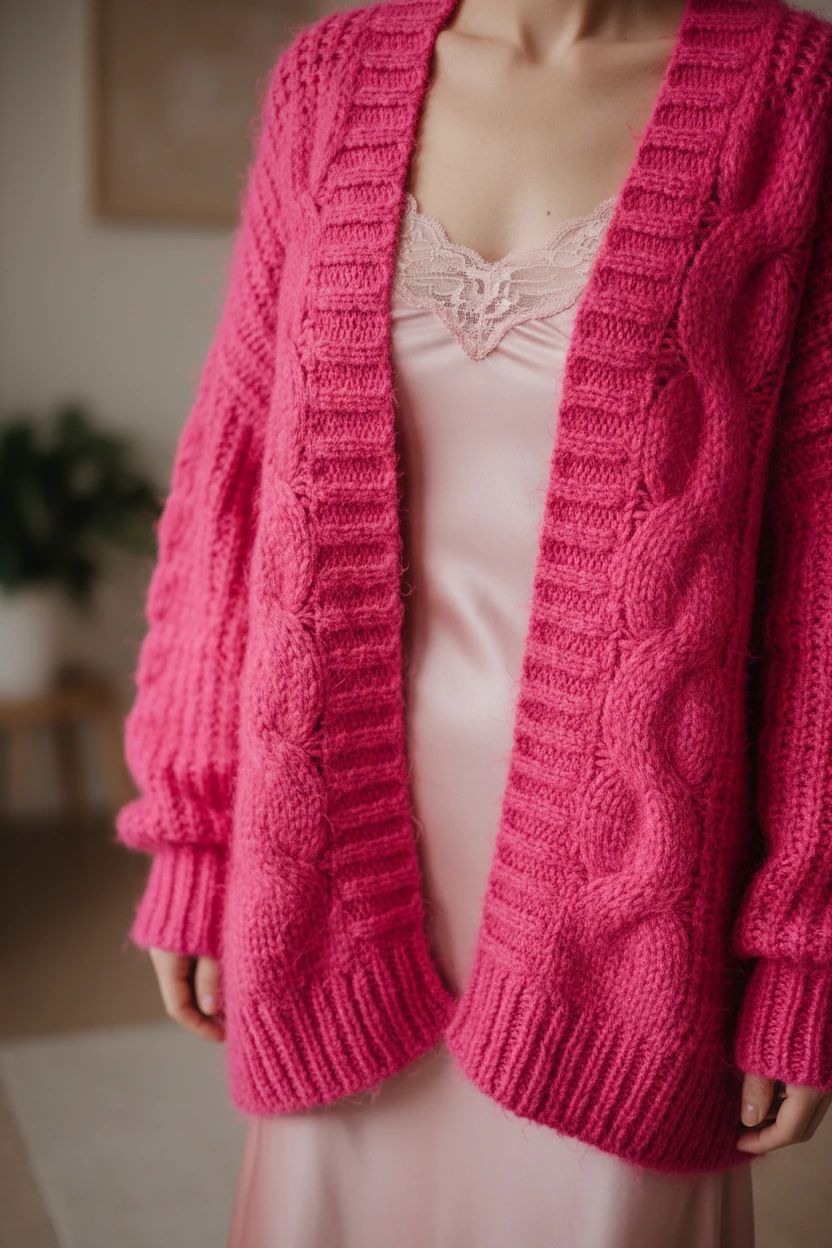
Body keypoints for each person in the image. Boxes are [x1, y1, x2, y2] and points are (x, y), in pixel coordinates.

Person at [116, 0, 832, 1242]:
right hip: (328, 846)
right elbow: (233, 466)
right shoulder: (326, 83)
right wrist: (198, 833)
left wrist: (805, 939)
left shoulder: (790, 93)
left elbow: (821, 551)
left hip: (634, 879)